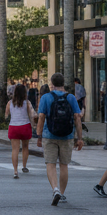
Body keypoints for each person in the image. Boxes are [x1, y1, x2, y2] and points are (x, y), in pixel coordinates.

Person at [36, 73, 84, 206]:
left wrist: (38, 134)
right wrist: (79, 138)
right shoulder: (71, 98)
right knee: (64, 165)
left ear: (52, 83)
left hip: (49, 135)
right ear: (64, 83)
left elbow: (41, 117)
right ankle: (62, 193)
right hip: (67, 136)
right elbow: (77, 118)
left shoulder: (46, 97)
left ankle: (55, 189)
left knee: (50, 163)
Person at [6, 83, 36, 179]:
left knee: (15, 149)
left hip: (13, 127)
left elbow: (6, 115)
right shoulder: (27, 103)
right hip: (25, 126)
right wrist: (34, 124)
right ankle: (24, 166)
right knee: (25, 147)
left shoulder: (10, 103)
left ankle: (15, 171)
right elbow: (31, 115)